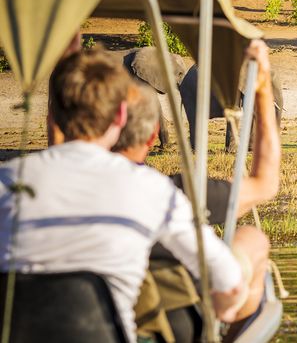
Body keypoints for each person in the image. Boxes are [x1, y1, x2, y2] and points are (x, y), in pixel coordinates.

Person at [0, 50, 256, 341]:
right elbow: (228, 281)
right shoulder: (150, 188)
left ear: (51, 115)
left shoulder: (6, 181)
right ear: (121, 114)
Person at [114, 40, 280, 342]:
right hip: (164, 324)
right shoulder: (168, 196)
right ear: (153, 136)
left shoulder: (16, 187)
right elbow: (266, 183)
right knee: (252, 239)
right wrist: (263, 88)